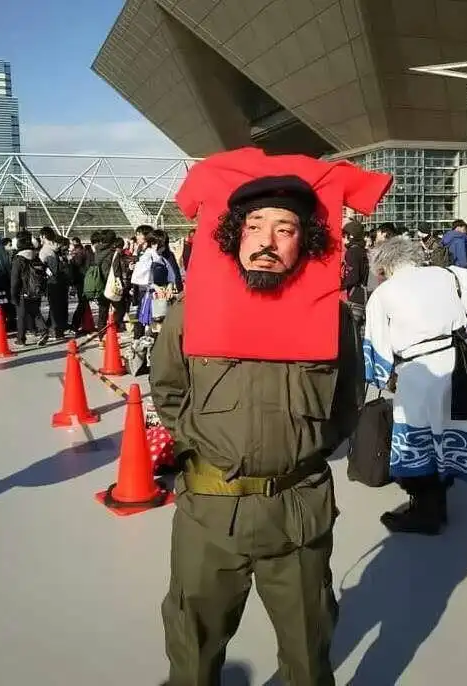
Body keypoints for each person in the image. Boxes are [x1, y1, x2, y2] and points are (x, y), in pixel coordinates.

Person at [150, 148, 392, 684]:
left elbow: (346, 402)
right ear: (234, 235)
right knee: (192, 652)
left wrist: (299, 454)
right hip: (210, 512)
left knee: (308, 652)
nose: (267, 241)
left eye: (285, 229)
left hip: (298, 511)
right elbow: (167, 389)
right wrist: (206, 447)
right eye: (254, 226)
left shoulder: (333, 320)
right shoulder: (192, 313)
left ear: (305, 241)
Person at [364, 238, 467, 535]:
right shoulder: (447, 274)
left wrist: (382, 376)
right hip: (462, 363)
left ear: (384, 266)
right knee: (450, 431)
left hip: (420, 371)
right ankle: (438, 505)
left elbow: (377, 345)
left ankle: (426, 512)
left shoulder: (383, 294)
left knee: (417, 437)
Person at [10, 232, 48, 347]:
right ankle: (44, 331)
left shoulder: (18, 259)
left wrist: (13, 295)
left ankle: (21, 339)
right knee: (35, 312)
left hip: (23, 292)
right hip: (35, 290)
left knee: (21, 316)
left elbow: (15, 280)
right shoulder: (36, 257)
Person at [94, 229, 127, 340]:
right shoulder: (113, 253)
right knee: (121, 309)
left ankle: (101, 337)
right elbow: (116, 272)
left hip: (100, 284)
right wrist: (121, 284)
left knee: (102, 312)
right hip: (111, 286)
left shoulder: (97, 251)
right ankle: (112, 329)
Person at [39, 226, 68, 341]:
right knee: (60, 305)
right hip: (62, 281)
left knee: (54, 306)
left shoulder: (44, 251)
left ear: (43, 236)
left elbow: (42, 269)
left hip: (52, 282)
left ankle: (55, 331)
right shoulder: (58, 248)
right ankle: (60, 329)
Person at [342, 220, 369, 331]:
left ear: (351, 236)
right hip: (363, 295)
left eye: (344, 235)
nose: (343, 238)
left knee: (351, 331)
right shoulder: (362, 250)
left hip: (354, 297)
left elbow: (353, 277)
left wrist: (340, 285)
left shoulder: (352, 252)